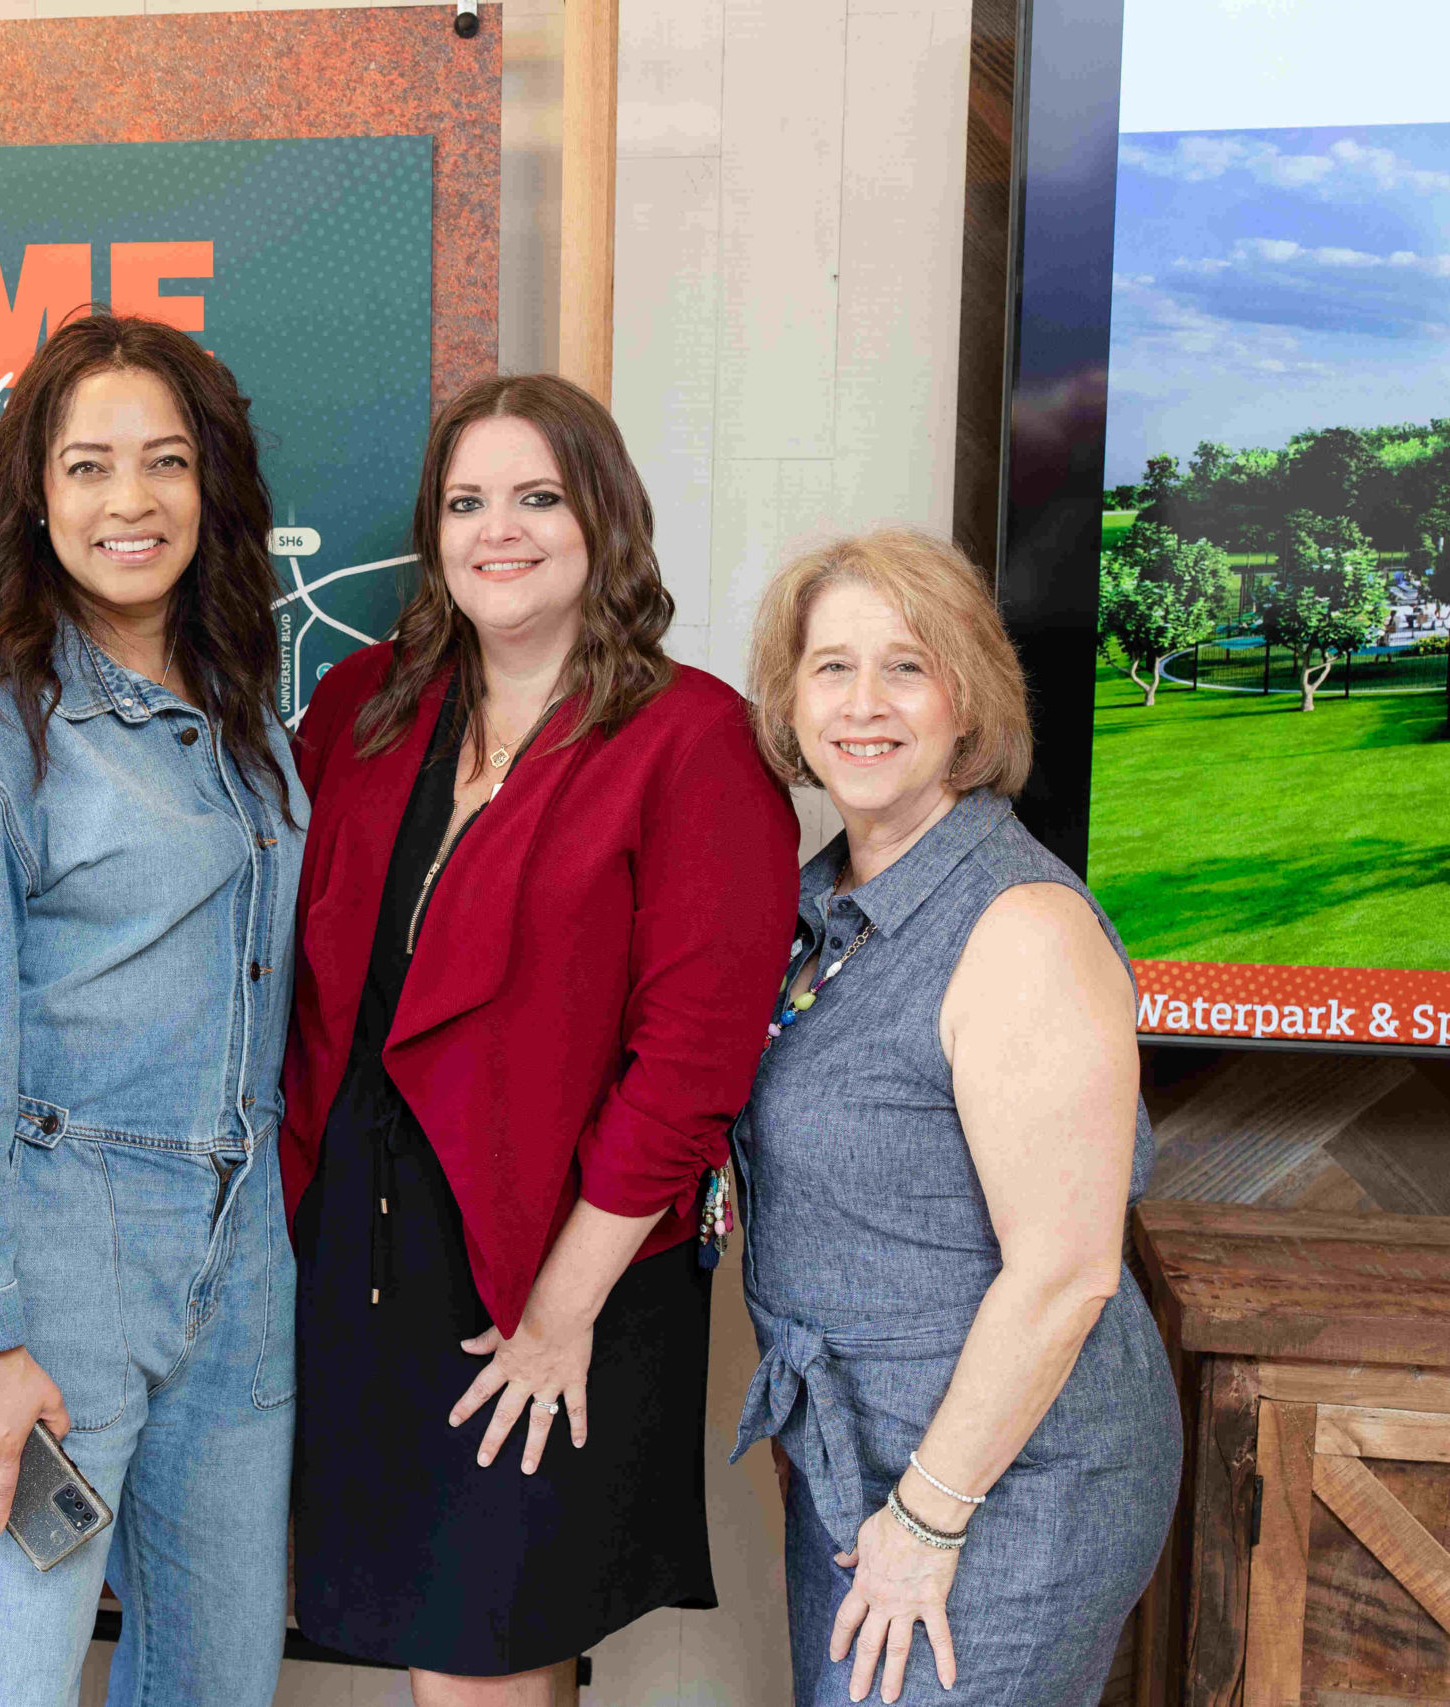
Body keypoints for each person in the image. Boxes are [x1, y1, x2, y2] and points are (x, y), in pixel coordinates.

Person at [281, 373, 799, 1705]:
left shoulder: (693, 739)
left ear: (602, 520)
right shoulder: (364, 707)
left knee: (488, 1654)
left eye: (535, 496)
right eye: (465, 500)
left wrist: (559, 1313)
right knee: (423, 1644)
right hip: (358, 1261)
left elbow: (690, 1065)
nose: (495, 528)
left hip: (549, 1276)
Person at [0, 312, 305, 1707]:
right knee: (4, 1677)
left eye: (166, 462)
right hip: (39, 1270)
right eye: (90, 464)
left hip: (237, 1265)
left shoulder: (244, 703)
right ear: (34, 495)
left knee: (219, 1676)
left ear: (212, 486)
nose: (131, 500)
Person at [730, 529, 1180, 1707]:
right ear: (788, 698)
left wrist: (926, 1521)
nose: (862, 704)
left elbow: (1066, 1273)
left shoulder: (1020, 927)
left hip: (1004, 1481)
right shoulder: (814, 903)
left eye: (906, 668)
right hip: (857, 1461)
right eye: (830, 667)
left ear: (968, 699)